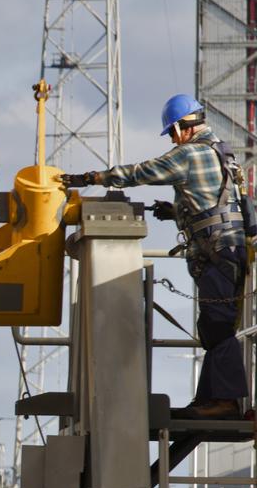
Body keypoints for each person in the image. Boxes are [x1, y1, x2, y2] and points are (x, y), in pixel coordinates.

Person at [60, 94, 250, 419]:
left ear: (180, 128)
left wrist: (94, 178)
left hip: (217, 251)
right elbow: (213, 204)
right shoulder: (222, 154)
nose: (173, 140)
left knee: (217, 327)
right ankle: (211, 400)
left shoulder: (191, 153)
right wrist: (175, 211)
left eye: (172, 133)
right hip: (226, 249)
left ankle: (225, 403)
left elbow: (145, 171)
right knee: (213, 326)